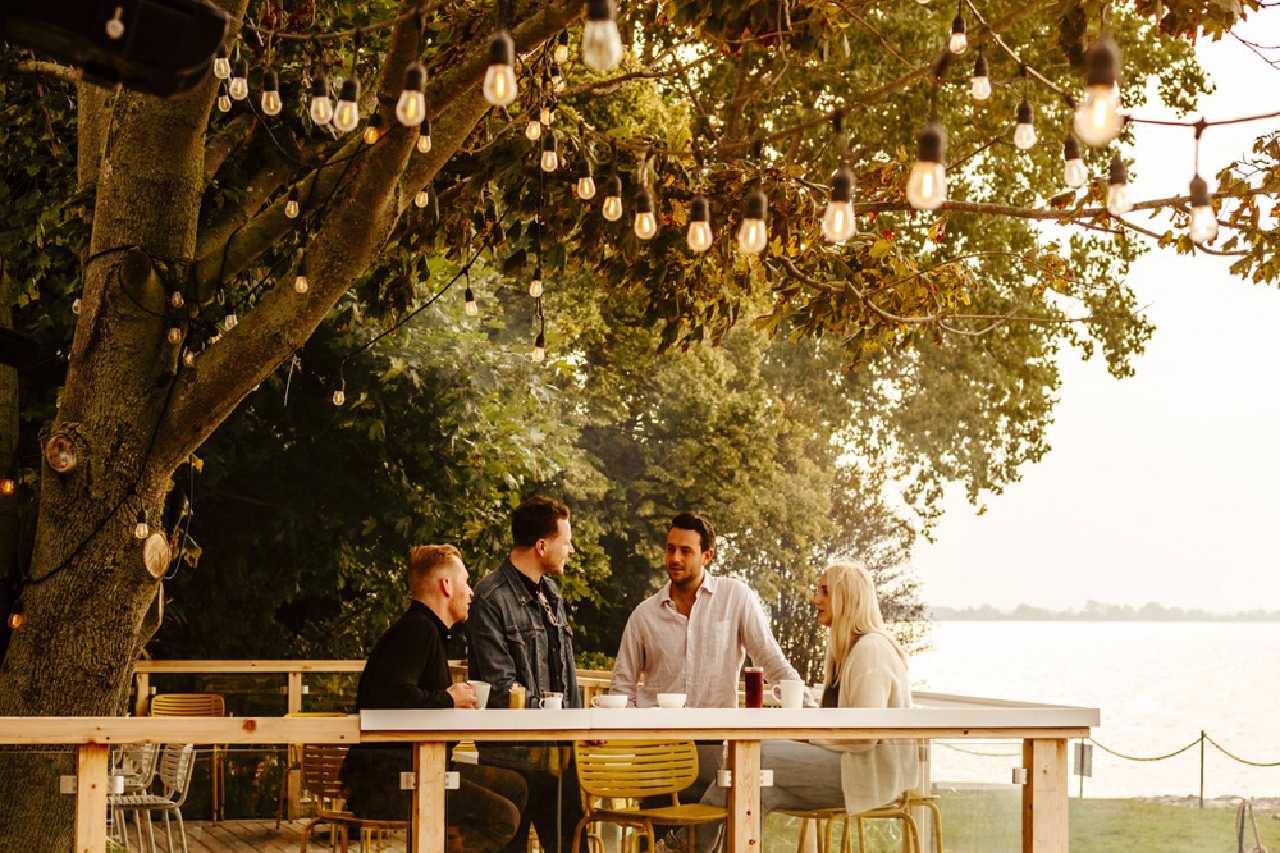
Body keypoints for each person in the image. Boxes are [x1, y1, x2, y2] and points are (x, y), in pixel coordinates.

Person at [609, 512, 810, 846]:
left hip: (714, 752)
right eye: (670, 549)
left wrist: (810, 714)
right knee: (657, 840)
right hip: (660, 752)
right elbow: (622, 686)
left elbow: (771, 660)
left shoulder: (735, 598)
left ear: (707, 556)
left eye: (685, 551)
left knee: (703, 842)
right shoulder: (644, 615)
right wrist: (635, 742)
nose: (674, 558)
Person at [697, 560, 922, 850]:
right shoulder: (847, 650)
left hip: (868, 773)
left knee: (755, 753)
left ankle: (686, 846)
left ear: (847, 598)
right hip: (848, 765)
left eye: (824, 592)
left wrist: (805, 734)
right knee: (752, 791)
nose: (815, 599)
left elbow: (864, 735)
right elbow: (841, 723)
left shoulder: (871, 650)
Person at [339, 545, 527, 852]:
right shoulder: (417, 630)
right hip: (391, 779)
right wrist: (449, 699)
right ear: (446, 585)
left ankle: (446, 840)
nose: (471, 592)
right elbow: (392, 698)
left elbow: (412, 696)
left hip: (421, 768)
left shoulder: (426, 631)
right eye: (465, 582)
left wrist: (453, 703)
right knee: (502, 817)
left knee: (514, 785)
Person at [467, 496, 584, 853]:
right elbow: (500, 688)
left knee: (571, 847)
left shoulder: (552, 593)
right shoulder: (490, 597)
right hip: (510, 758)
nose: (571, 550)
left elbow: (569, 676)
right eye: (565, 542)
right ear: (541, 545)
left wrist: (582, 726)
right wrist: (557, 714)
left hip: (559, 756)